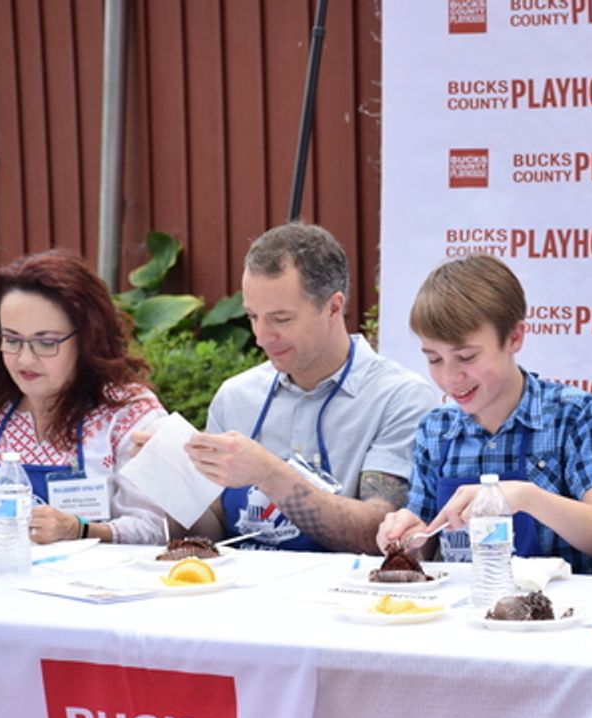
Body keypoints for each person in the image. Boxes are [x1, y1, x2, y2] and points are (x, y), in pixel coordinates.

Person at [176, 221, 439, 553]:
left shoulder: (399, 398)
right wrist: (170, 478)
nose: (261, 337)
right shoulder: (236, 396)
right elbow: (212, 528)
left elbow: (380, 533)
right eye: (253, 316)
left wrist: (270, 473)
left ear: (333, 306)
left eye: (281, 319)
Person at [376, 254, 592, 575]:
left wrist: (527, 497)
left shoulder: (574, 414)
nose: (449, 377)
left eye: (466, 357)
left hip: (561, 616)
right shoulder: (436, 429)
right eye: (434, 359)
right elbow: (425, 543)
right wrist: (406, 536)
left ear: (514, 338)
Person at [0, 250, 167, 543]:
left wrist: (80, 530)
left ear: (87, 338)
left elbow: (158, 529)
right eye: (12, 339)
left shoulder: (128, 414)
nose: (25, 359)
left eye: (46, 342)